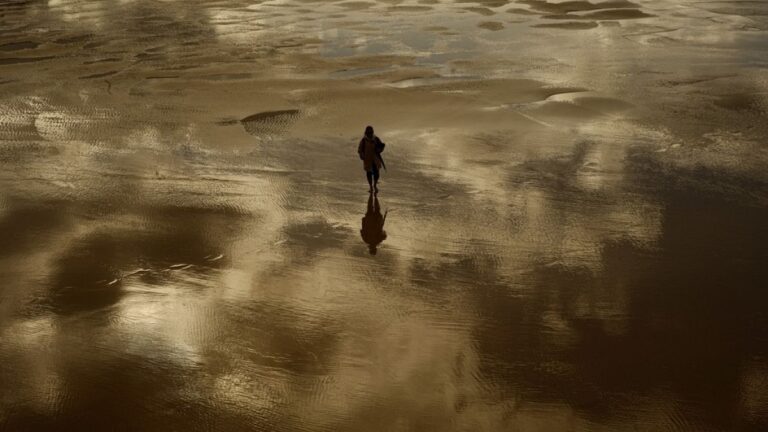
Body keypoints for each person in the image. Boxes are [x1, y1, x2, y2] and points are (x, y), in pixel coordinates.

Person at [357, 125, 386, 193]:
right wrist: (362, 155)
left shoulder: (376, 139)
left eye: (371, 132)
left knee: (377, 173)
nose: (370, 134)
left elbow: (381, 147)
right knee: (369, 174)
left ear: (372, 132)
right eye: (368, 133)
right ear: (366, 133)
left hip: (376, 160)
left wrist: (380, 149)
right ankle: (370, 186)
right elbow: (359, 150)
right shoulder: (363, 141)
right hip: (367, 160)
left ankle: (375, 185)